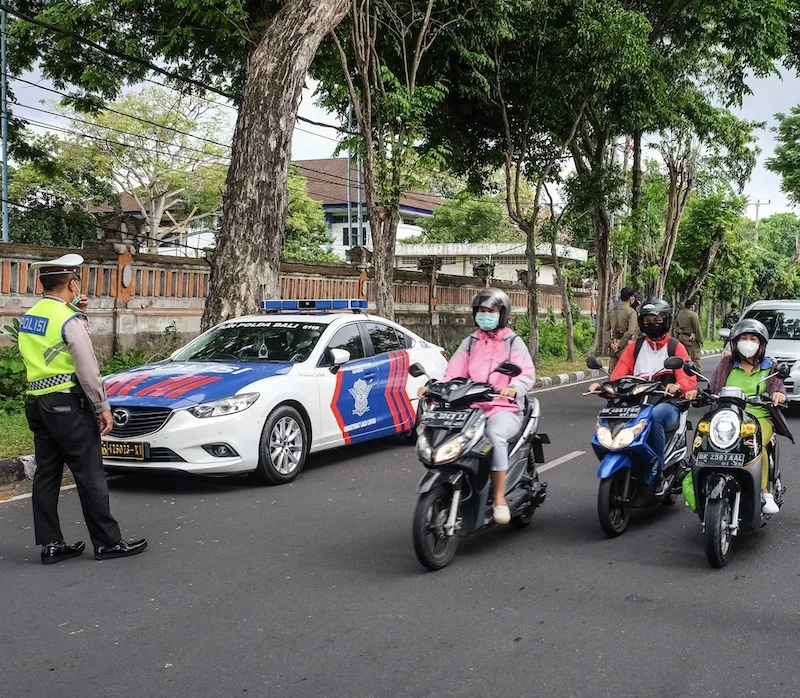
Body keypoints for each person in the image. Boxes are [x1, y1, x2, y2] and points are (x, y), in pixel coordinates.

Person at [18, 254, 147, 564]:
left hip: (36, 402)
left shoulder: (31, 316)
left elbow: (47, 352)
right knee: (89, 473)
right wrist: (102, 405)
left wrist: (77, 312)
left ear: (43, 284)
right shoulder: (69, 319)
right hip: (66, 404)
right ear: (72, 283)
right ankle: (107, 542)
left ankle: (51, 545)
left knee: (47, 474)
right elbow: (87, 369)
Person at [418, 288, 535, 524]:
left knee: (494, 436)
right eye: (481, 311)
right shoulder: (471, 342)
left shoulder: (512, 342)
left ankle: (500, 497)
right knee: (451, 435)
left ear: (502, 314)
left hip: (503, 407)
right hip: (472, 407)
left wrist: (513, 388)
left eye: (490, 311)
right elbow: (453, 372)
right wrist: (434, 388)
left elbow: (526, 373)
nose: (485, 315)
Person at [590, 298, 697, 493]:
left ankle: (659, 471)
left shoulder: (675, 347)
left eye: (656, 320)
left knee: (655, 417)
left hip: (666, 403)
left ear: (665, 321)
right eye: (647, 320)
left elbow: (687, 379)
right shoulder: (635, 347)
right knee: (610, 415)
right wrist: (605, 387)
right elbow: (618, 373)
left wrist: (677, 386)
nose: (652, 324)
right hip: (635, 402)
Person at [685, 319, 789, 514]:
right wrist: (696, 394)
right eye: (743, 338)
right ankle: (700, 485)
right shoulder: (726, 363)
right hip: (726, 417)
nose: (748, 342)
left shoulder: (770, 366)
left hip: (758, 418)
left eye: (753, 339)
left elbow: (778, 389)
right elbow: (712, 387)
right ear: (735, 342)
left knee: (757, 444)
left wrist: (778, 395)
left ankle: (764, 492)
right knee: (702, 440)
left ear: (761, 344)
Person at [604, 286, 638, 371]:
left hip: (614, 347)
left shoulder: (612, 311)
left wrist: (611, 343)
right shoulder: (631, 312)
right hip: (626, 346)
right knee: (626, 375)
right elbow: (630, 331)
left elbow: (605, 330)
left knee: (612, 375)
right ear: (631, 298)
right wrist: (620, 345)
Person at [676, 297, 703, 369]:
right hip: (691, 338)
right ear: (692, 306)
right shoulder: (693, 314)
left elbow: (676, 326)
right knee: (695, 356)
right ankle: (697, 372)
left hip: (681, 337)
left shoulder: (680, 313)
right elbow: (697, 328)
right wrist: (700, 340)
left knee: (683, 356)